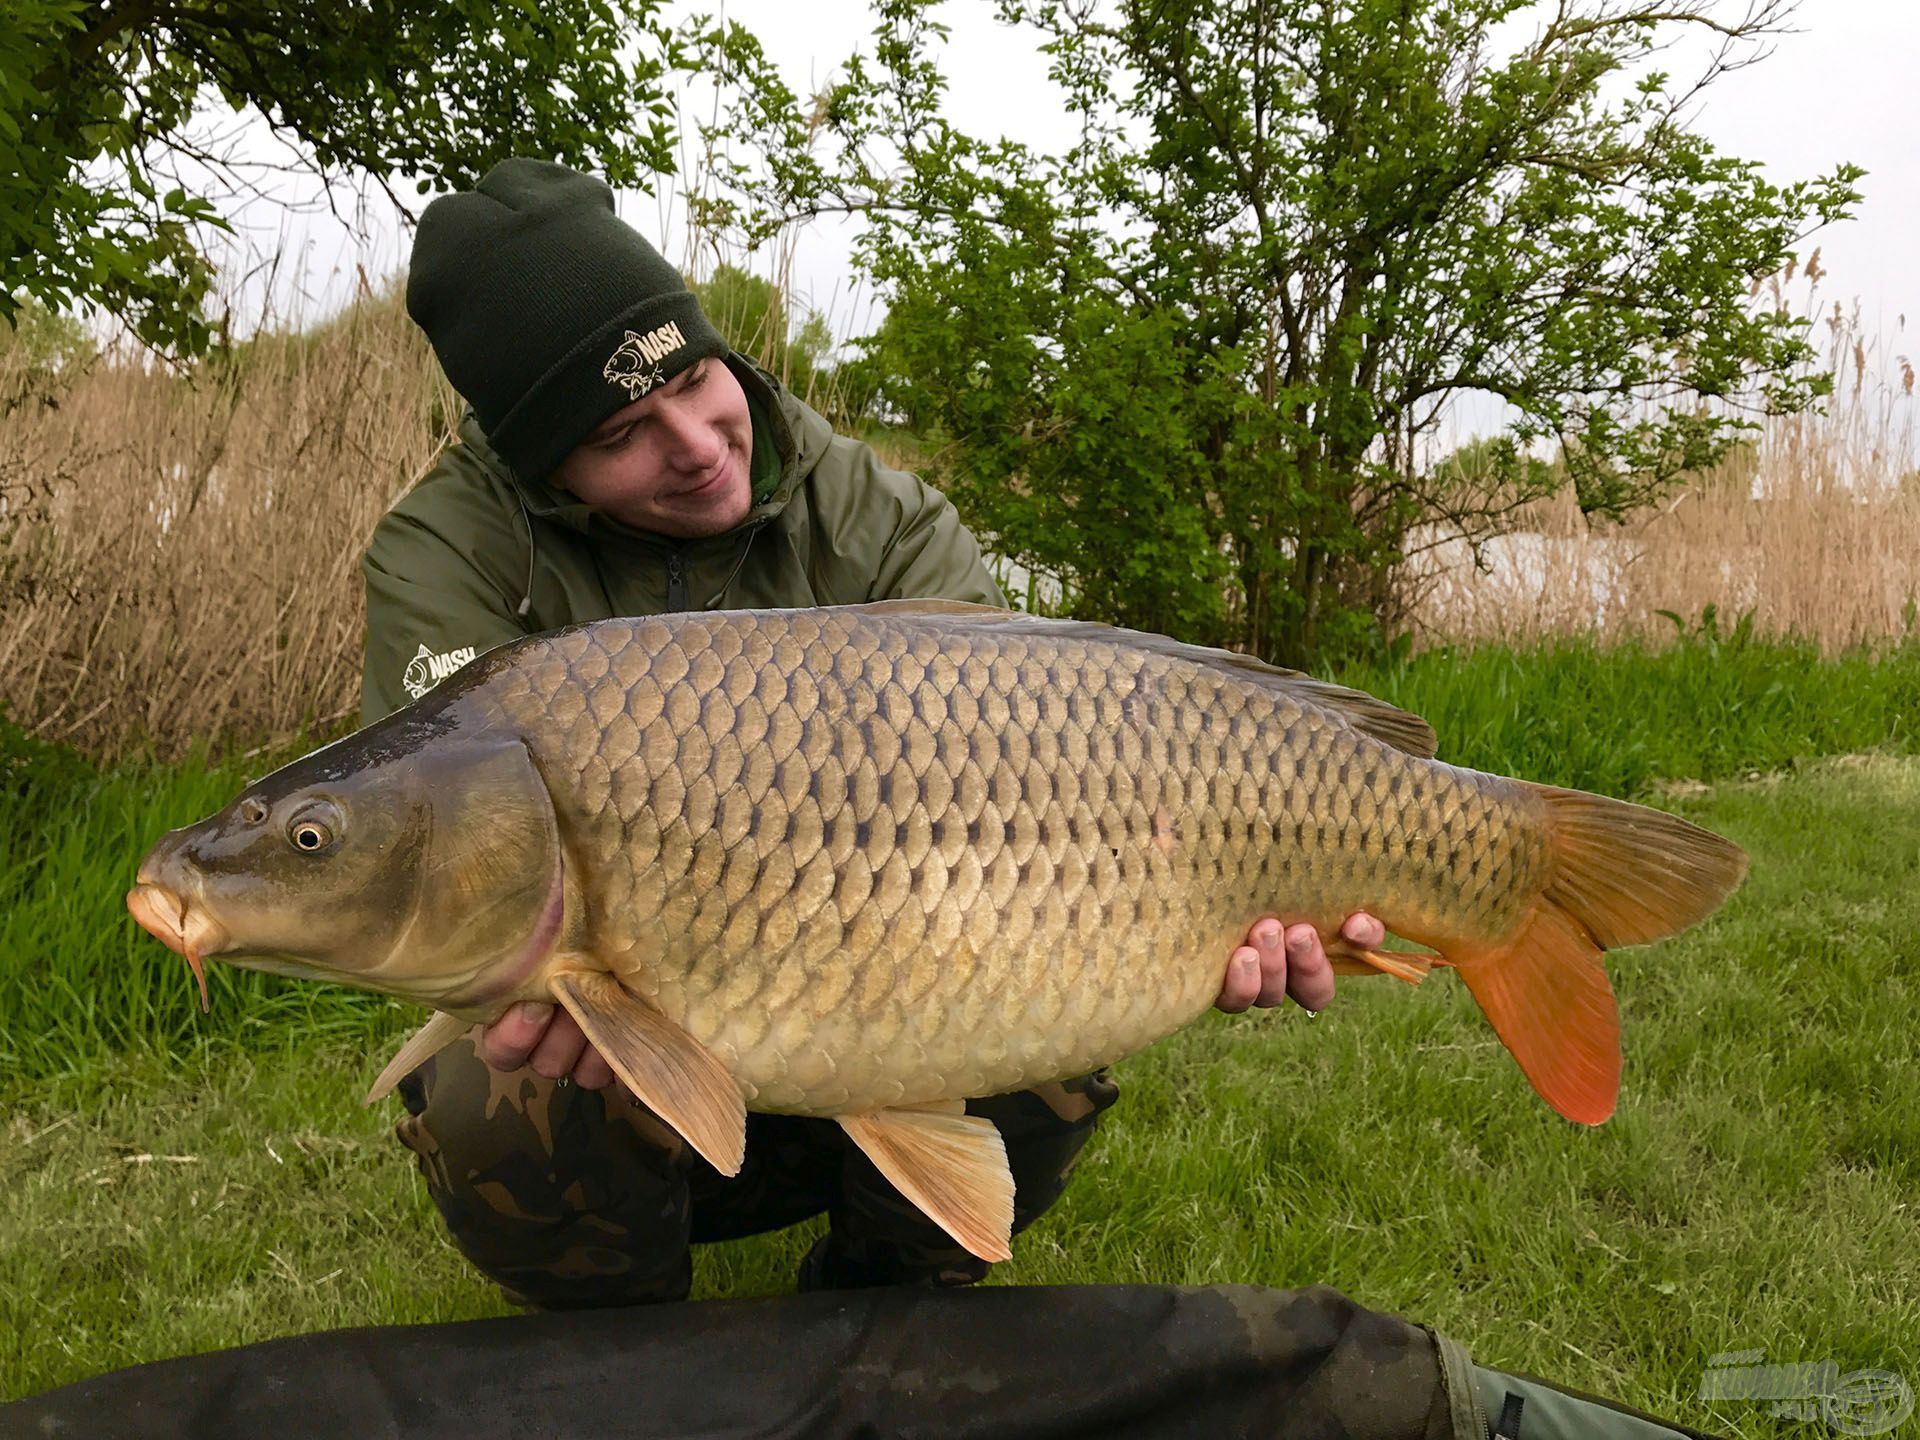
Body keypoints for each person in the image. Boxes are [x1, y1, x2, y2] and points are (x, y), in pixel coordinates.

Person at [359, 156, 1388, 1310]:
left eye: (697, 379)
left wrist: (1199, 909)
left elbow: (1053, 777)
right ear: (540, 461)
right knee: (490, 1085)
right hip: (620, 1026)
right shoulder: (444, 552)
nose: (698, 443)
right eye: (622, 436)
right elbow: (425, 833)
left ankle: (878, 1306)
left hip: (879, 974)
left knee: (1044, 1013)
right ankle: (626, 1352)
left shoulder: (879, 519)